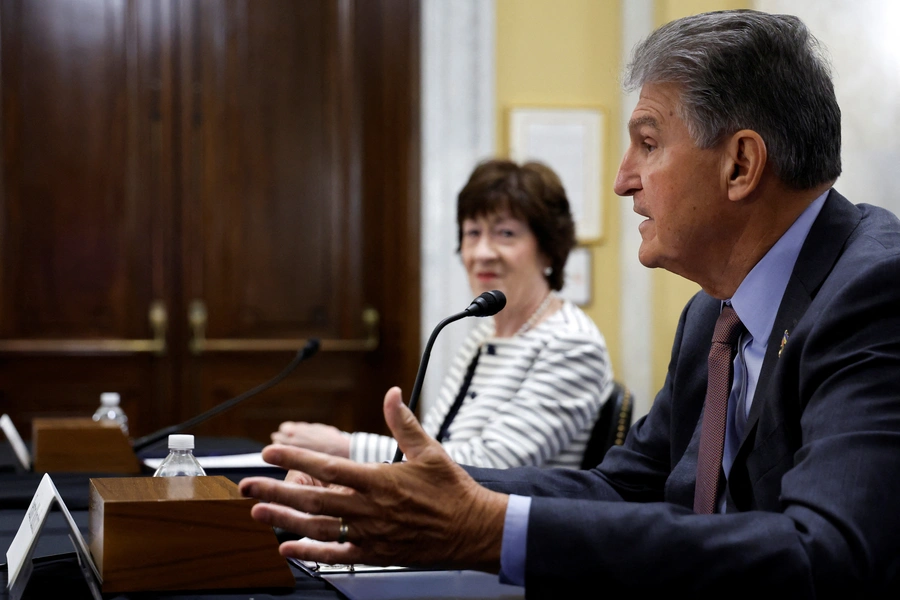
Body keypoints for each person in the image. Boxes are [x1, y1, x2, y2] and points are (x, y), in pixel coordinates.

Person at [239, 10, 900, 595]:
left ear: (740, 165)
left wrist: (488, 530)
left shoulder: (874, 293)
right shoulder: (712, 315)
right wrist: (404, 493)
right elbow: (622, 487)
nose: (621, 181)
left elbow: (829, 555)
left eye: (646, 143)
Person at [272, 159, 613, 468]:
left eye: (505, 233)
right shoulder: (483, 335)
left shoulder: (571, 344)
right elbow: (431, 446)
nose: (482, 252)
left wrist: (345, 447)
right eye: (472, 233)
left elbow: (488, 465)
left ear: (549, 249)